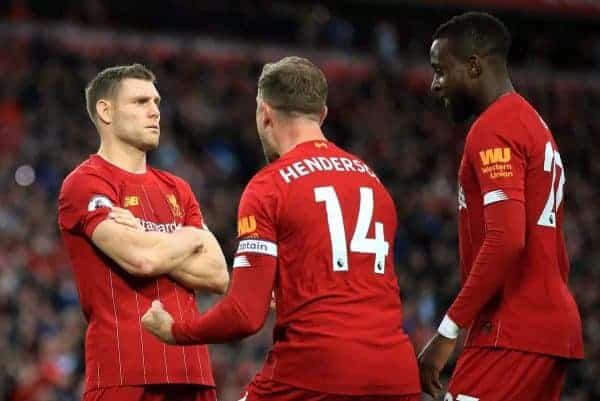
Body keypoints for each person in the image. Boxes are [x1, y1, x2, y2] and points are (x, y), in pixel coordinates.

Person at [141, 56, 421, 401]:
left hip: (314, 373)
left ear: (264, 113)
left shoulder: (270, 186)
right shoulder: (373, 182)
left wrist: (175, 331)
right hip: (397, 374)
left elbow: (244, 315)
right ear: (322, 115)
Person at [418, 12, 584, 401]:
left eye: (441, 70)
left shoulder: (495, 127)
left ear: (473, 65)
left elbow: (507, 239)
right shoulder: (531, 123)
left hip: (511, 329)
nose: (434, 84)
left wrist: (446, 332)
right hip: (544, 330)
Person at [58, 64, 229, 401]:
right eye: (140, 102)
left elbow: (218, 275)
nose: (155, 112)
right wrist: (193, 237)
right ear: (105, 111)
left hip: (193, 373)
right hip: (125, 374)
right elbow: (142, 260)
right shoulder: (86, 183)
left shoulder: (178, 188)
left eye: (157, 102)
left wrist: (146, 237)